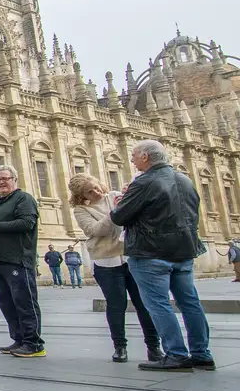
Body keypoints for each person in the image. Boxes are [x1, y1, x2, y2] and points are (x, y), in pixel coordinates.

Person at [110, 140, 214, 372]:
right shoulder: (186, 180)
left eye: (134, 156)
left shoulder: (144, 182)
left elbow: (119, 217)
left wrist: (117, 205)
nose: (132, 160)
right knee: (190, 303)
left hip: (150, 253)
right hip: (184, 251)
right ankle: (201, 354)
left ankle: (176, 354)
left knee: (158, 304)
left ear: (145, 156)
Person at [69, 173, 163, 363]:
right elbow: (95, 230)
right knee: (116, 305)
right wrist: (117, 212)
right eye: (89, 191)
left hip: (132, 257)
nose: (96, 192)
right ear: (82, 195)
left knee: (143, 303)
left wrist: (127, 204)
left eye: (96, 186)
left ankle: (154, 347)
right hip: (106, 261)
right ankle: (120, 347)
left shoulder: (114, 195)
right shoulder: (81, 210)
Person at [0, 164, 45, 358]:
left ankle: (34, 343)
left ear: (15, 179)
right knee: (6, 301)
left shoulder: (24, 199)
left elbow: (27, 223)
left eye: (5, 178)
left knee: (24, 301)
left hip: (18, 258)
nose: (1, 182)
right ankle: (19, 339)